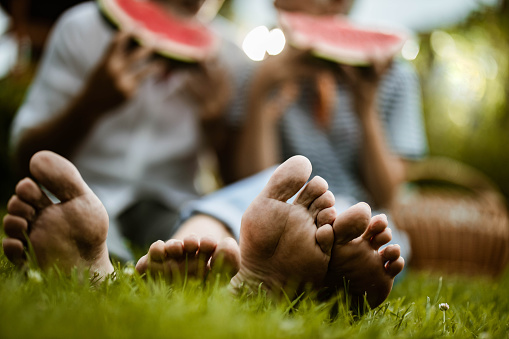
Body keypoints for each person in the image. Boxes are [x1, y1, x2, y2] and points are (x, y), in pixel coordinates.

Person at [172, 0, 428, 279]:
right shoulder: (256, 73)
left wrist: (365, 108)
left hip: (357, 212)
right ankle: (194, 245)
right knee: (234, 209)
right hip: (275, 207)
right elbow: (254, 180)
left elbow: (387, 195)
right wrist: (261, 92)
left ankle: (311, 263)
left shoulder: (395, 77)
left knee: (372, 236)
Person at [8, 0, 251, 261]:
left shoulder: (229, 58)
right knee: (84, 221)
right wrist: (88, 105)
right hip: (84, 193)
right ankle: (87, 246)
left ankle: (172, 259)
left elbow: (235, 184)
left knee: (196, 236)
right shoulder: (81, 27)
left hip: (172, 205)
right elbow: (24, 156)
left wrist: (215, 126)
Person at [2, 150, 404, 308]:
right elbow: (247, 163)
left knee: (377, 224)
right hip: (268, 191)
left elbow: (391, 189)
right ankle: (261, 274)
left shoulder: (392, 76)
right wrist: (266, 89)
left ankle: (319, 272)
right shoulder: (246, 62)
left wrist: (366, 100)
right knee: (268, 184)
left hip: (350, 199)